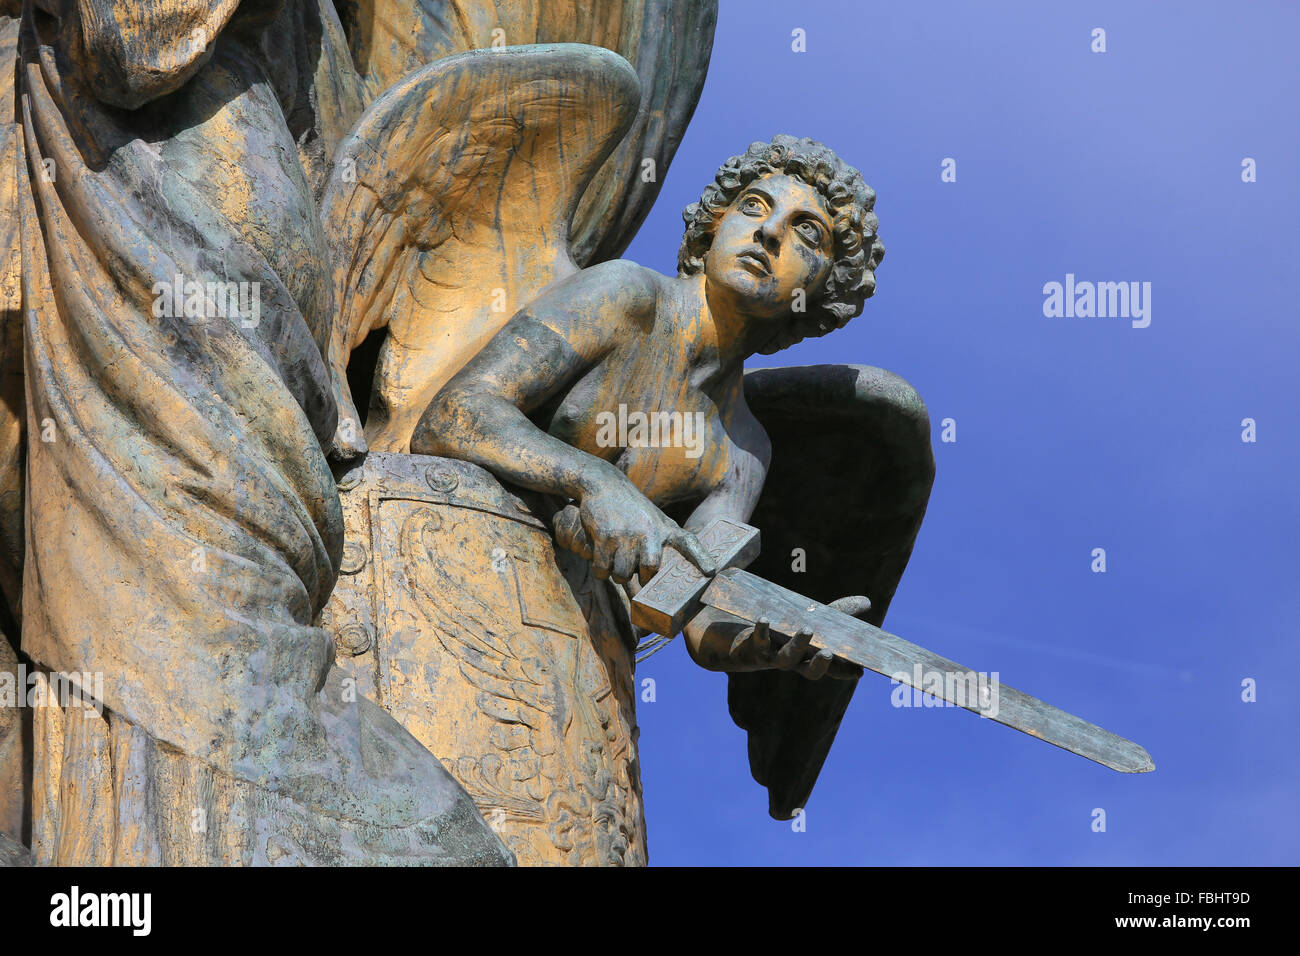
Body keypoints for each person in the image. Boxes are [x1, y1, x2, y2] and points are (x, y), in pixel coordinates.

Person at [412, 135, 885, 679]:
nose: (770, 231)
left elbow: (691, 605)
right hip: (446, 557)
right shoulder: (625, 296)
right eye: (753, 205)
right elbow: (453, 415)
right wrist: (597, 480)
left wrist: (764, 643)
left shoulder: (745, 449)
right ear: (713, 225)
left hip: (569, 648)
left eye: (807, 232)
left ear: (825, 287)